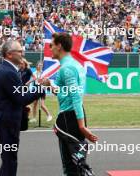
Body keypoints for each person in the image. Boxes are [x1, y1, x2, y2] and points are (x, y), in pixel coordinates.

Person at [41, 33, 98, 176]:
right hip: (73, 115)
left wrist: (82, 126)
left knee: (72, 167)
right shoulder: (74, 65)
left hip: (69, 118)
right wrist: (50, 86)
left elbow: (76, 96)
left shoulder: (66, 68)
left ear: (59, 46)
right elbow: (65, 93)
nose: (50, 48)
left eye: (51, 45)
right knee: (76, 162)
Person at [0, 40, 44, 176]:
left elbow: (14, 96)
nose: (22, 53)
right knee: (10, 160)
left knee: (7, 159)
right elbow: (22, 98)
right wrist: (41, 88)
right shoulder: (8, 72)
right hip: (6, 121)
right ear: (9, 54)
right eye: (19, 51)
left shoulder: (5, 69)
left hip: (3, 118)